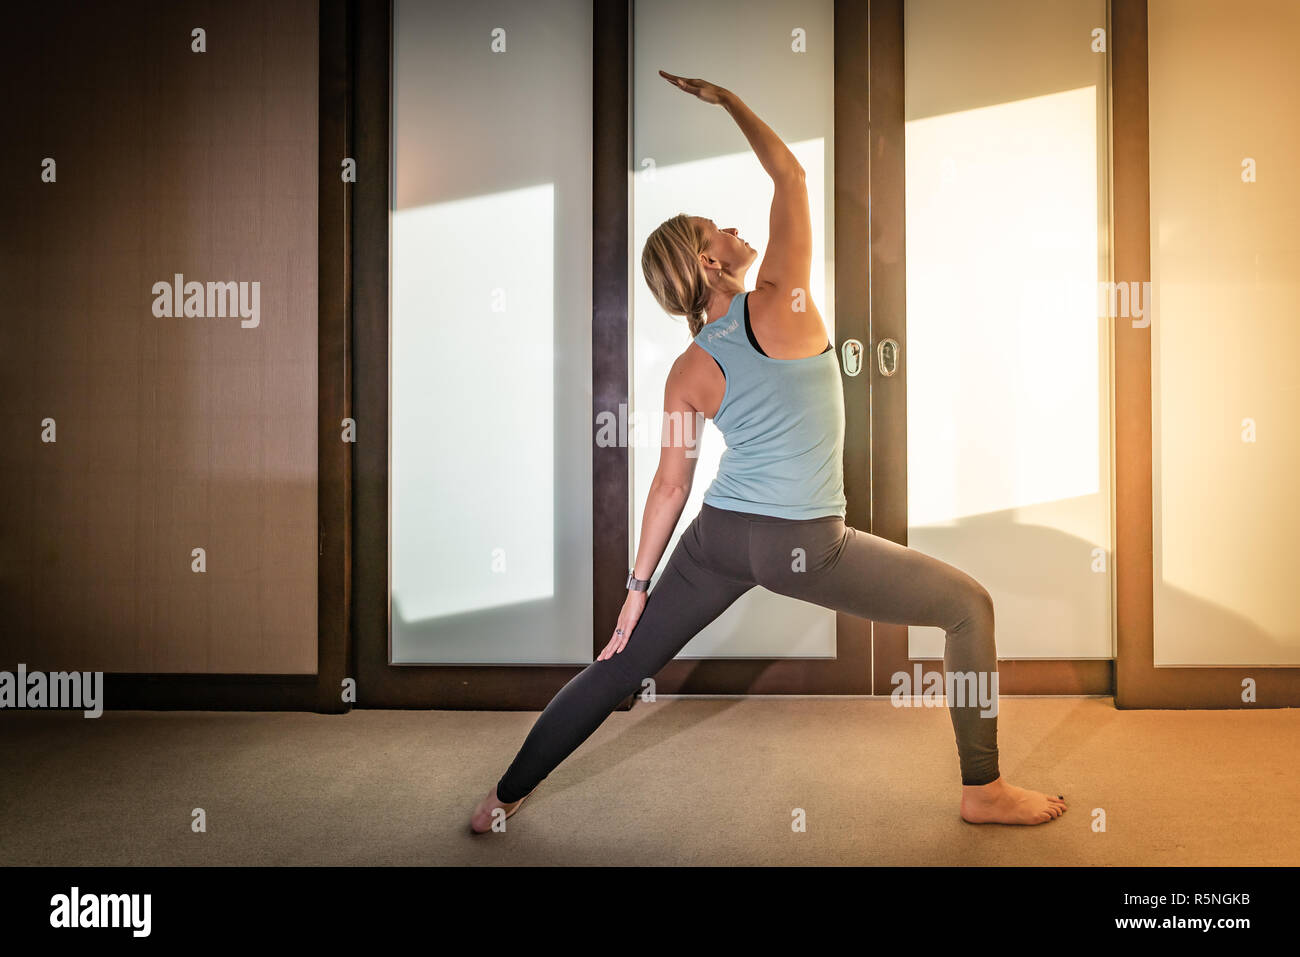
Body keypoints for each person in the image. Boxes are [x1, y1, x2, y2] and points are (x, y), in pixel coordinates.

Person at [470, 72, 1067, 833]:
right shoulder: (782, 298)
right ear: (711, 266)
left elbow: (666, 488)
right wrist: (729, 103)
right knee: (968, 606)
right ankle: (982, 788)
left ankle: (500, 800)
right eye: (716, 228)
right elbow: (789, 172)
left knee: (620, 664)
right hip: (803, 540)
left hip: (720, 536)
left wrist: (634, 591)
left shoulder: (690, 366)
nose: (734, 228)